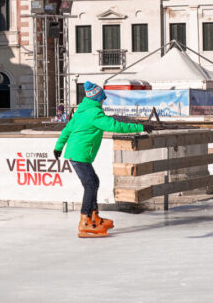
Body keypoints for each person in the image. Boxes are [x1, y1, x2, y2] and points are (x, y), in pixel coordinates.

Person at [54, 82, 145, 238]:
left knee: (94, 182)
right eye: (102, 98)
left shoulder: (81, 112)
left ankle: (94, 216)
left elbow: (67, 130)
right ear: (97, 98)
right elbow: (115, 126)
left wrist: (58, 147)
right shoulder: (95, 114)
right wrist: (140, 127)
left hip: (78, 154)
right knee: (90, 185)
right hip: (80, 155)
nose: (103, 101)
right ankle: (85, 221)